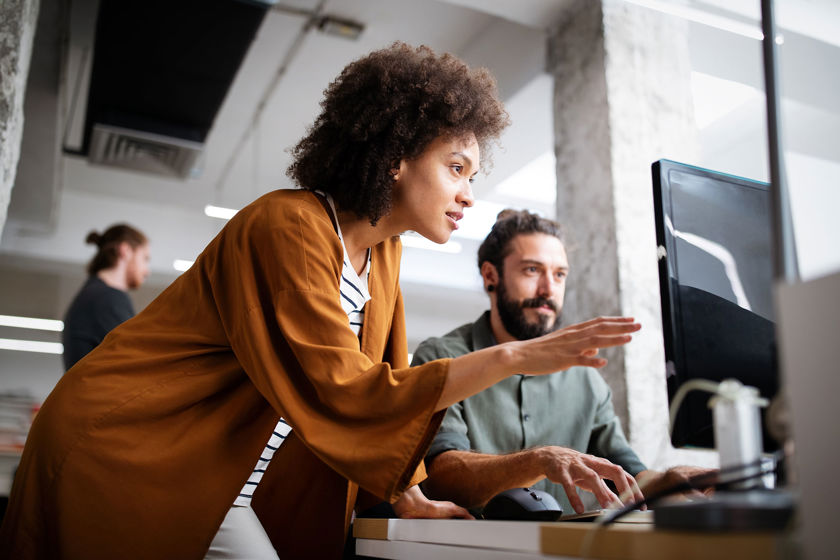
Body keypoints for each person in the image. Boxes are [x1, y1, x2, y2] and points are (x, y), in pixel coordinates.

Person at [0, 43, 641, 560]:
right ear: (395, 157)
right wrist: (514, 357)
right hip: (131, 448)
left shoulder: (383, 254)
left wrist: (411, 498)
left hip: (220, 479)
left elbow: (384, 393)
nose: (468, 193)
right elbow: (347, 391)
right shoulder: (289, 226)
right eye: (456, 167)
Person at [413, 209, 708, 515]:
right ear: (491, 276)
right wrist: (539, 460)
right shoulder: (441, 358)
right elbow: (439, 477)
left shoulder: (586, 377)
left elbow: (627, 475)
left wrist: (671, 480)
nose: (548, 290)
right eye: (531, 270)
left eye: (559, 274)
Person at [62, 224, 150, 370]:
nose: (147, 271)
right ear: (125, 250)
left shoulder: (94, 294)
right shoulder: (107, 298)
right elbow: (137, 360)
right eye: (145, 258)